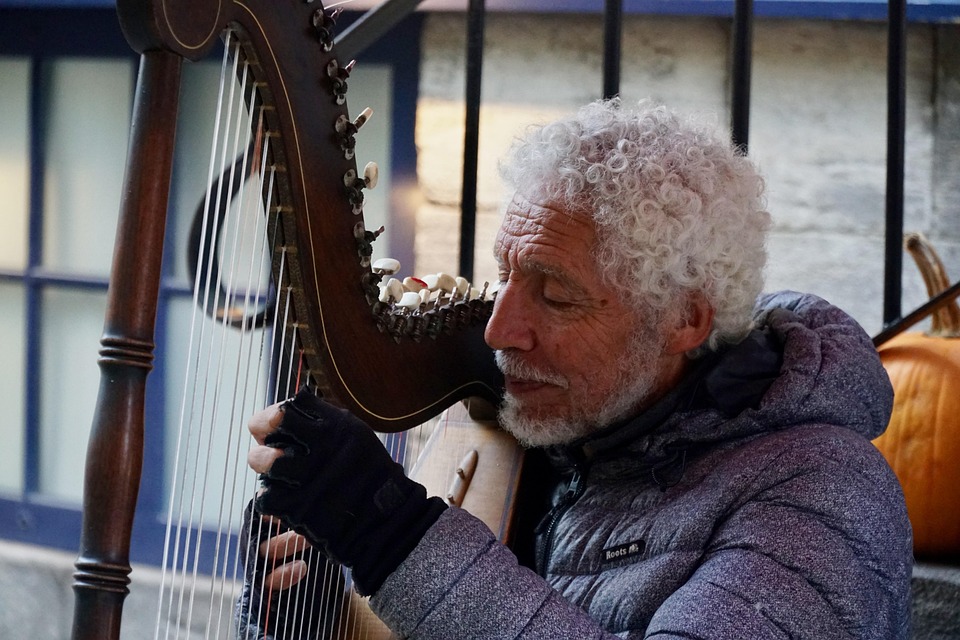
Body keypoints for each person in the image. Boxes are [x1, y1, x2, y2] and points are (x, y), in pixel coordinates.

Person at [241, 99, 913, 638]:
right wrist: (318, 615)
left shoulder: (822, 495)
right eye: (504, 277)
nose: (500, 330)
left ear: (685, 320)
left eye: (557, 295)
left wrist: (391, 531)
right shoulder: (568, 432)